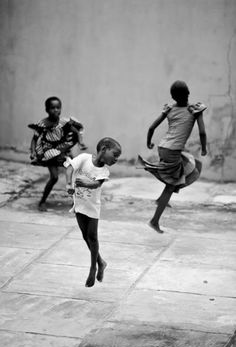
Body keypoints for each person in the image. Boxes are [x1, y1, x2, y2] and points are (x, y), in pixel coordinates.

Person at [138, 80, 207, 233]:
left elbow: (151, 127)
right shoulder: (195, 110)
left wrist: (149, 142)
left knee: (189, 165)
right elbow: (202, 132)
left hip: (163, 148)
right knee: (172, 185)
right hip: (173, 151)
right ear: (188, 93)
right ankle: (154, 221)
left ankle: (161, 199)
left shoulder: (169, 109)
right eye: (187, 93)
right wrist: (204, 148)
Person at [65, 137, 122, 287]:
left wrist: (85, 183)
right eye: (115, 154)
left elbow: (96, 183)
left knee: (93, 238)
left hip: (92, 207)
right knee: (85, 236)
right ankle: (101, 262)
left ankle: (93, 268)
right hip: (79, 202)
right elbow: (70, 168)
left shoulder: (104, 170)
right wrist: (68, 184)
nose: (116, 159)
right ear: (104, 149)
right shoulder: (84, 158)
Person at [29, 96, 87, 212]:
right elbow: (35, 139)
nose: (55, 110)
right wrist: (33, 152)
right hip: (49, 154)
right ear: (47, 109)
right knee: (54, 177)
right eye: (52, 108)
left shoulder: (64, 122)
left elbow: (77, 132)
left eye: (58, 107)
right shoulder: (42, 124)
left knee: (74, 175)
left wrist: (81, 143)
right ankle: (42, 201)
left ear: (61, 109)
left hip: (63, 152)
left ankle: (75, 202)